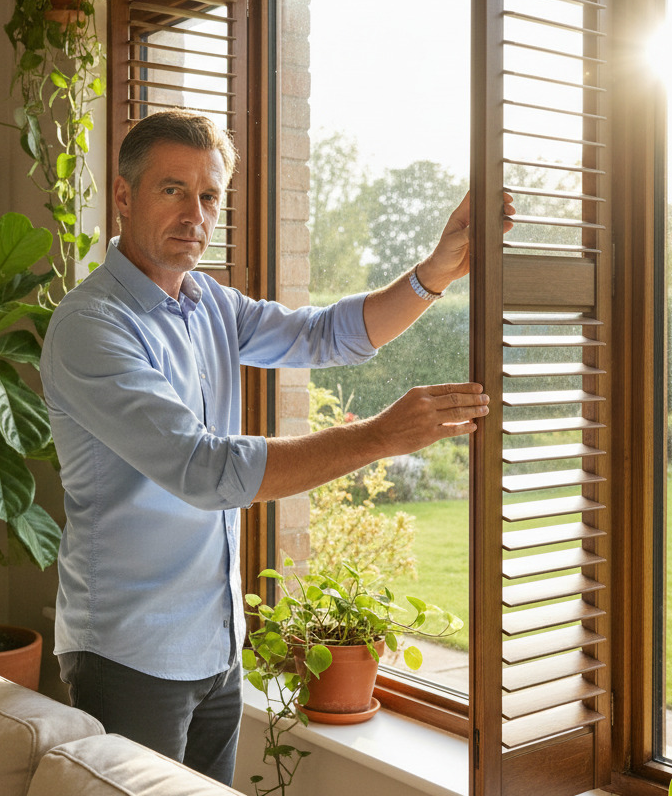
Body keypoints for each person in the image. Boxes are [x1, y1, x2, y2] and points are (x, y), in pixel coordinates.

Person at [40, 109, 513, 785]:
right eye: (173, 190)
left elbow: (331, 335)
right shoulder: (91, 326)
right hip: (130, 653)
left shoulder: (211, 304)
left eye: (209, 197)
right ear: (123, 195)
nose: (195, 214)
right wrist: (379, 437)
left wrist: (435, 270)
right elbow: (204, 470)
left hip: (214, 646)